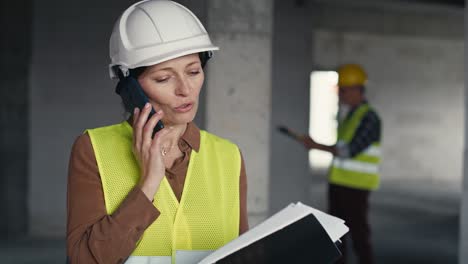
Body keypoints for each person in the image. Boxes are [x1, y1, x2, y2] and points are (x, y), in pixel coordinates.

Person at [66, 1, 248, 263]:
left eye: (194, 71)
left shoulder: (229, 157)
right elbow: (83, 260)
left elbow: (243, 255)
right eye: (164, 78)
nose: (185, 89)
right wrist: (148, 183)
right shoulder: (92, 149)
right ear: (130, 87)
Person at [299, 64, 381, 264]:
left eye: (343, 90)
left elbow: (349, 151)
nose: (340, 94)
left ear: (356, 89)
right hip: (340, 183)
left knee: (360, 236)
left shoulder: (369, 117)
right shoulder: (350, 115)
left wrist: (316, 145)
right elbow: (342, 146)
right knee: (337, 233)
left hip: (356, 186)